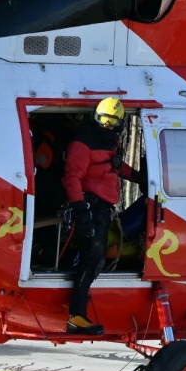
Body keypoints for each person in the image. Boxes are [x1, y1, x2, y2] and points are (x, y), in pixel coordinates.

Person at [61, 97, 142, 335]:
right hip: (89, 206)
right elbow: (72, 178)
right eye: (103, 122)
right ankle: (76, 316)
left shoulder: (110, 141)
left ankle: (78, 313)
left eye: (111, 123)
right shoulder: (82, 144)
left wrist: (137, 177)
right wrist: (80, 211)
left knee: (97, 256)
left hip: (103, 208)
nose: (105, 126)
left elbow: (114, 166)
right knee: (93, 254)